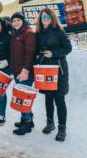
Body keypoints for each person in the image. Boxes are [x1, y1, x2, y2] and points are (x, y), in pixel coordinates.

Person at [36, 8, 72, 142]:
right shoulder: (38, 33)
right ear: (40, 19)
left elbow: (68, 48)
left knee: (59, 100)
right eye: (43, 16)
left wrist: (53, 53)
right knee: (48, 98)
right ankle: (50, 123)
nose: (45, 18)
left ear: (52, 18)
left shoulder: (59, 31)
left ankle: (62, 129)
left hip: (59, 71)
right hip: (45, 70)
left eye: (48, 16)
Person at [10, 12, 36, 135]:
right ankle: (28, 120)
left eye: (18, 20)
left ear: (23, 21)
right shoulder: (16, 34)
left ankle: (26, 124)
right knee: (22, 96)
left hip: (25, 72)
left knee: (23, 98)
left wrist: (25, 70)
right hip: (17, 71)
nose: (16, 23)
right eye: (13, 21)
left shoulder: (28, 33)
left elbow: (30, 53)